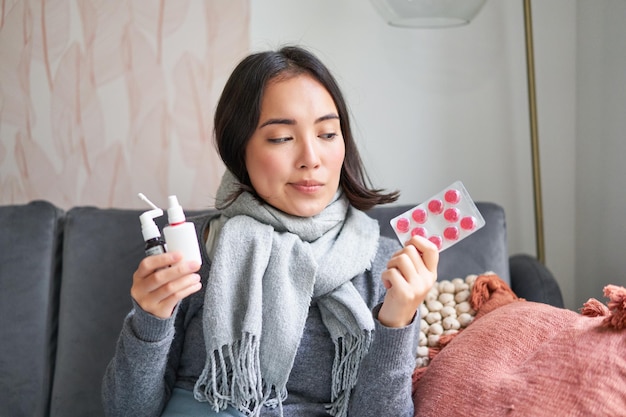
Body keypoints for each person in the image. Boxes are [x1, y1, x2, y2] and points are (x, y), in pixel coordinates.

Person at [102, 45, 438, 417]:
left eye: (327, 134)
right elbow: (126, 412)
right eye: (281, 138)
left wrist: (397, 319)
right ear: (238, 148)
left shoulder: (387, 263)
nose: (311, 158)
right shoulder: (192, 250)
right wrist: (149, 320)